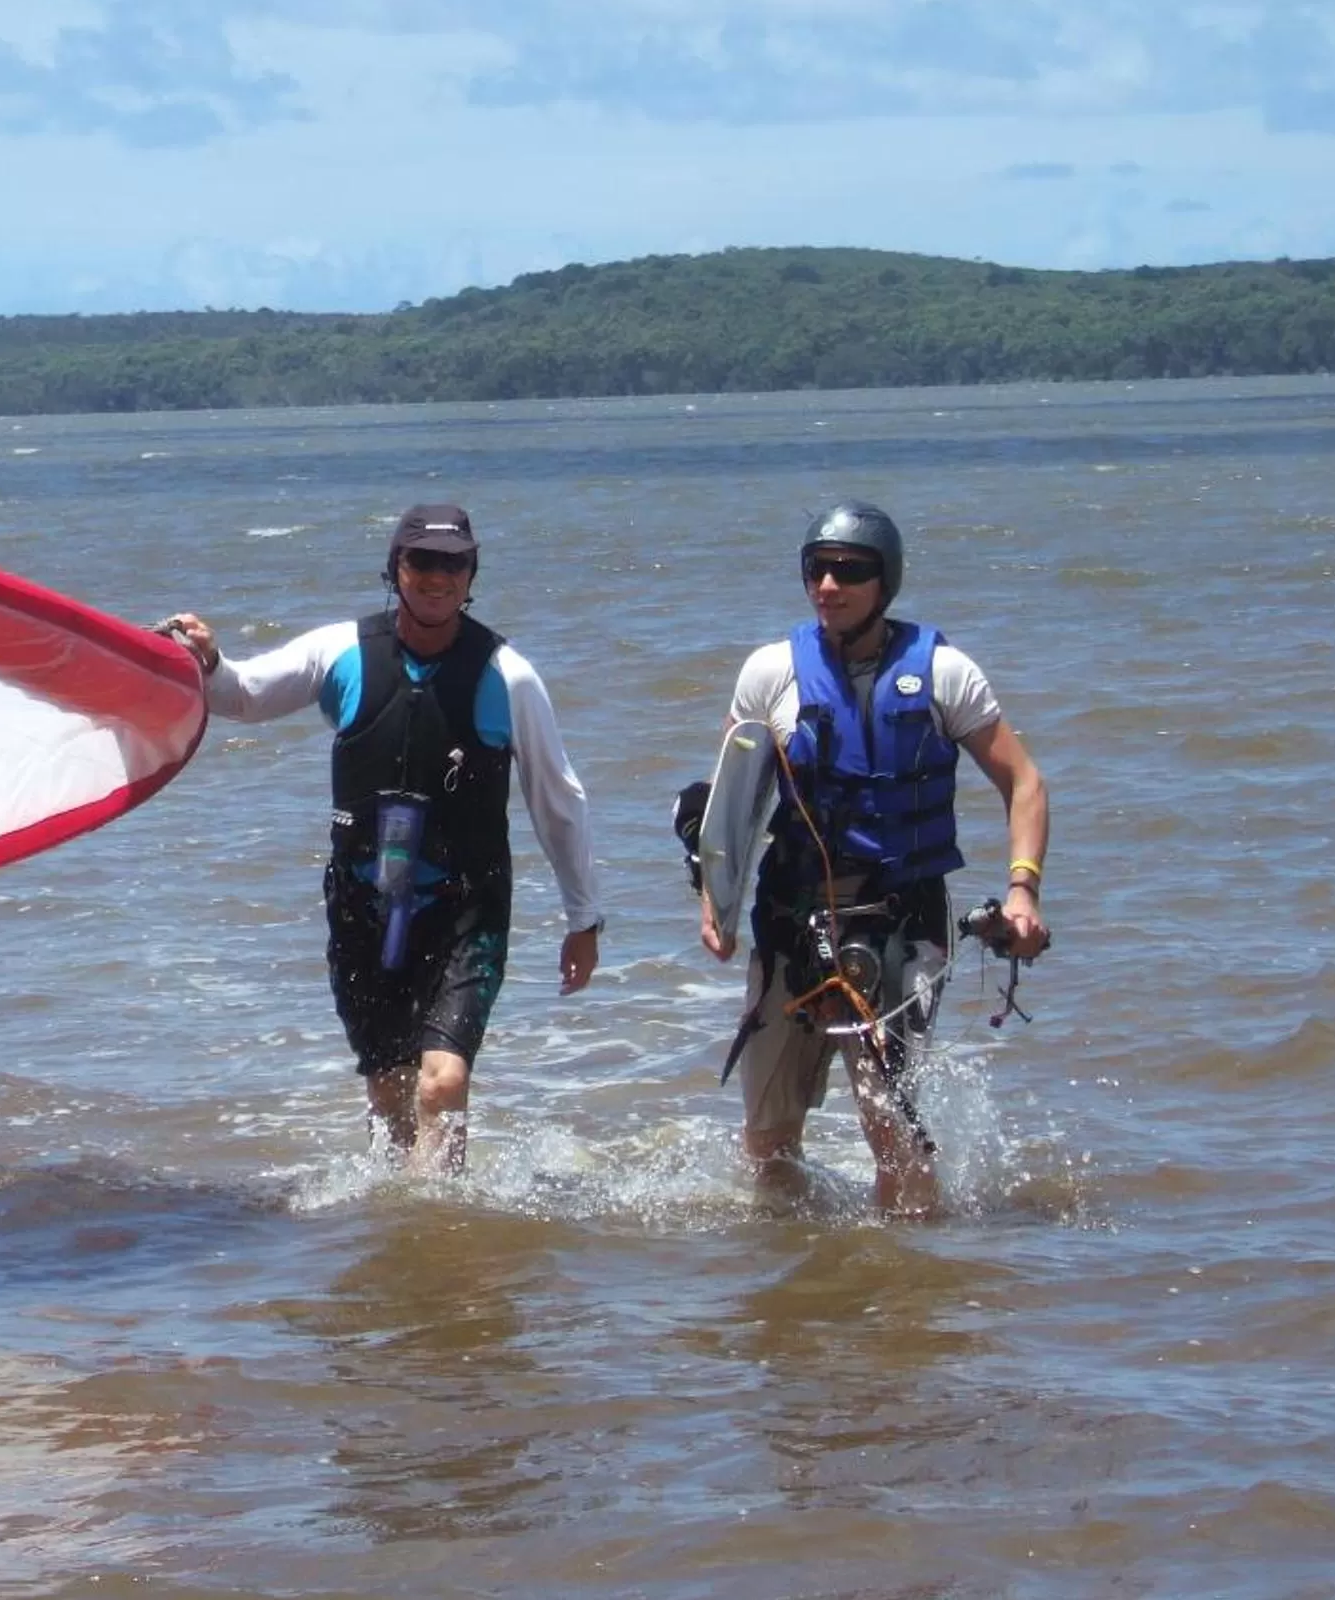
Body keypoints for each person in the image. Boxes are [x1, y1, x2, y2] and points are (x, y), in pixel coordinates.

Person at [160, 504, 604, 1172]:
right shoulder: (341, 652)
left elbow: (557, 799)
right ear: (395, 568)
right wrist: (209, 658)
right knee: (391, 1092)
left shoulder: (508, 675)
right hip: (364, 904)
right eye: (421, 561)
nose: (436, 577)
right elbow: (244, 696)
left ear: (471, 572)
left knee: (443, 1080)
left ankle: (440, 1227)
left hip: (466, 908)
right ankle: (401, 1237)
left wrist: (584, 917)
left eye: (453, 563)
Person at [693, 501, 1050, 1217]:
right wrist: (716, 904)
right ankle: (791, 1298)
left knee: (890, 1126)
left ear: (885, 582)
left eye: (850, 571)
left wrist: (1022, 893)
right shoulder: (770, 672)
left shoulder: (945, 673)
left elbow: (1025, 783)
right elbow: (727, 803)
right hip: (791, 923)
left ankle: (908, 1296)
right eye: (817, 569)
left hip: (898, 925)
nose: (829, 585)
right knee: (768, 1142)